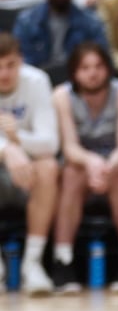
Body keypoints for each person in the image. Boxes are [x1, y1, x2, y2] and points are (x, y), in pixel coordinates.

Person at [51, 42, 118, 291]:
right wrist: (91, 162)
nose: (92, 73)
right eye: (85, 68)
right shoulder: (61, 96)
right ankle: (62, 262)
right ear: (74, 72)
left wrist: (106, 167)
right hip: (80, 164)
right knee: (70, 174)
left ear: (108, 69)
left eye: (99, 66)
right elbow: (69, 147)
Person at [0, 33, 61, 296]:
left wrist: (17, 138)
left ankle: (32, 264)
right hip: (9, 163)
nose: (4, 73)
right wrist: (7, 151)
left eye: (10, 65)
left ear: (21, 61)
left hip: (29, 174)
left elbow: (51, 144)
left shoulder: (37, 81)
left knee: (49, 167)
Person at [14, 0, 108, 73]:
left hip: (77, 79)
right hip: (39, 77)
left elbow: (102, 57)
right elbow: (22, 59)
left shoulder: (90, 21)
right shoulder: (27, 21)